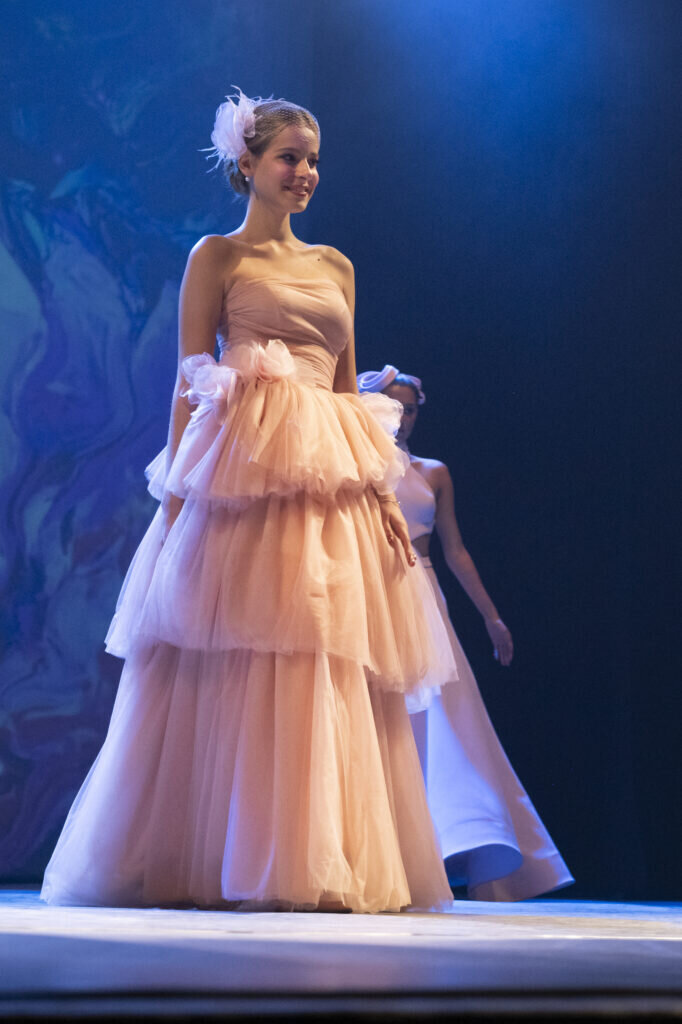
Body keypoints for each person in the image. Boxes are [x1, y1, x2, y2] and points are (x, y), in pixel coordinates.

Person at [40, 90, 459, 913]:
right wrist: (177, 495)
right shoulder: (218, 256)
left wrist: (383, 497)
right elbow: (189, 378)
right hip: (243, 473)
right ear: (249, 164)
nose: (305, 173)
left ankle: (315, 852)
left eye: (313, 161)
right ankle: (218, 848)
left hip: (327, 483)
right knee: (234, 648)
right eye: (289, 158)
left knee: (321, 648)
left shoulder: (335, 266)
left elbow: (344, 391)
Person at [357, 365, 573, 900]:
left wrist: (491, 616)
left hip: (424, 595)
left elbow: (455, 550)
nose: (403, 417)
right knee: (380, 718)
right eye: (394, 406)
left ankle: (460, 846)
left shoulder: (433, 472)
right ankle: (378, 852)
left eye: (410, 409)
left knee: (448, 722)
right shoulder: (356, 462)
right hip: (369, 592)